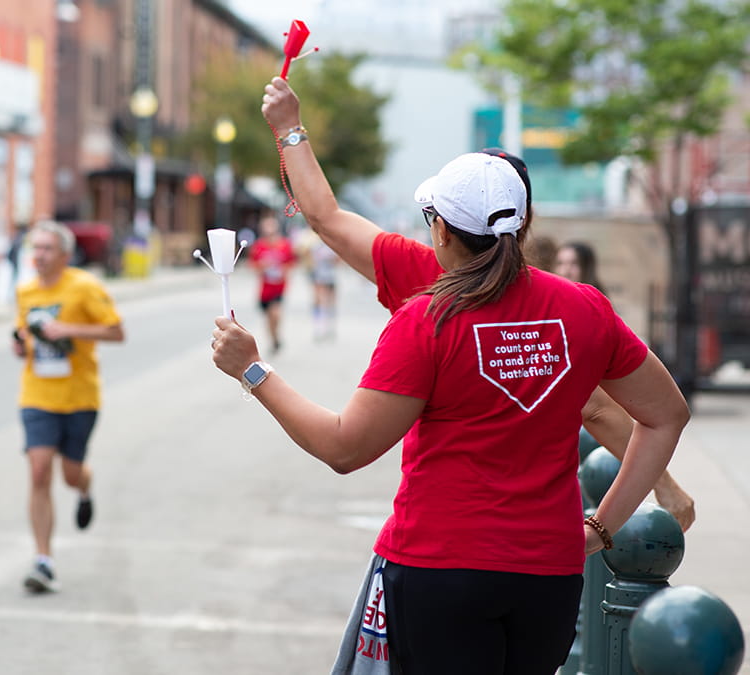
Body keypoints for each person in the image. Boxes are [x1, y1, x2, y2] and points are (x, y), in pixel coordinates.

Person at [212, 77, 693, 675]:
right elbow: (664, 414)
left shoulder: (426, 314)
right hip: (549, 574)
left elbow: (343, 447)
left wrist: (253, 371)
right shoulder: (583, 308)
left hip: (440, 566)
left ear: (439, 229)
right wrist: (600, 525)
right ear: (521, 223)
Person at [11, 221, 124, 593]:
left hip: (80, 396)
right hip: (37, 394)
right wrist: (20, 344)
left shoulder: (85, 287)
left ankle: (85, 488)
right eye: (35, 248)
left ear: (64, 255)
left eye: (46, 249)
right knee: (40, 470)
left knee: (70, 474)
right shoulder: (25, 292)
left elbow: (116, 332)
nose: (38, 256)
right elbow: (25, 336)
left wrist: (69, 330)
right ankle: (43, 561)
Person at [247, 214, 296, 354]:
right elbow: (252, 266)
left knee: (276, 313)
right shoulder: (258, 246)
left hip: (279, 288)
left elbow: (291, 263)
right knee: (268, 317)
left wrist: (283, 270)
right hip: (264, 290)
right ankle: (273, 339)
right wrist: (262, 266)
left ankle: (276, 337)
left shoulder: (285, 245)